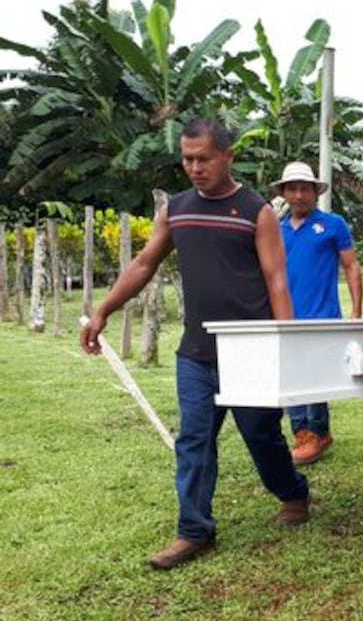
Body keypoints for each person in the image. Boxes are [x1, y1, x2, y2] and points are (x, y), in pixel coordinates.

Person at [80, 118, 311, 570]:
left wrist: (288, 343)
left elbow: (276, 278)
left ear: (227, 156)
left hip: (250, 348)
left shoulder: (255, 209)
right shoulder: (178, 209)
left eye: (204, 158)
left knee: (261, 436)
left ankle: (293, 492)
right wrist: (104, 310)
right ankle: (194, 530)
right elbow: (145, 264)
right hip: (196, 352)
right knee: (195, 440)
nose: (195, 167)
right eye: (187, 159)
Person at [273, 161, 363, 464]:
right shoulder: (276, 229)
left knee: (314, 377)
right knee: (290, 375)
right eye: (293, 189)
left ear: (314, 191)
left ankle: (319, 432)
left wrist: (357, 311)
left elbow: (351, 266)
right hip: (286, 317)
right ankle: (302, 434)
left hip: (322, 315)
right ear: (284, 193)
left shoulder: (333, 224)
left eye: (305, 189)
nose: (299, 195)